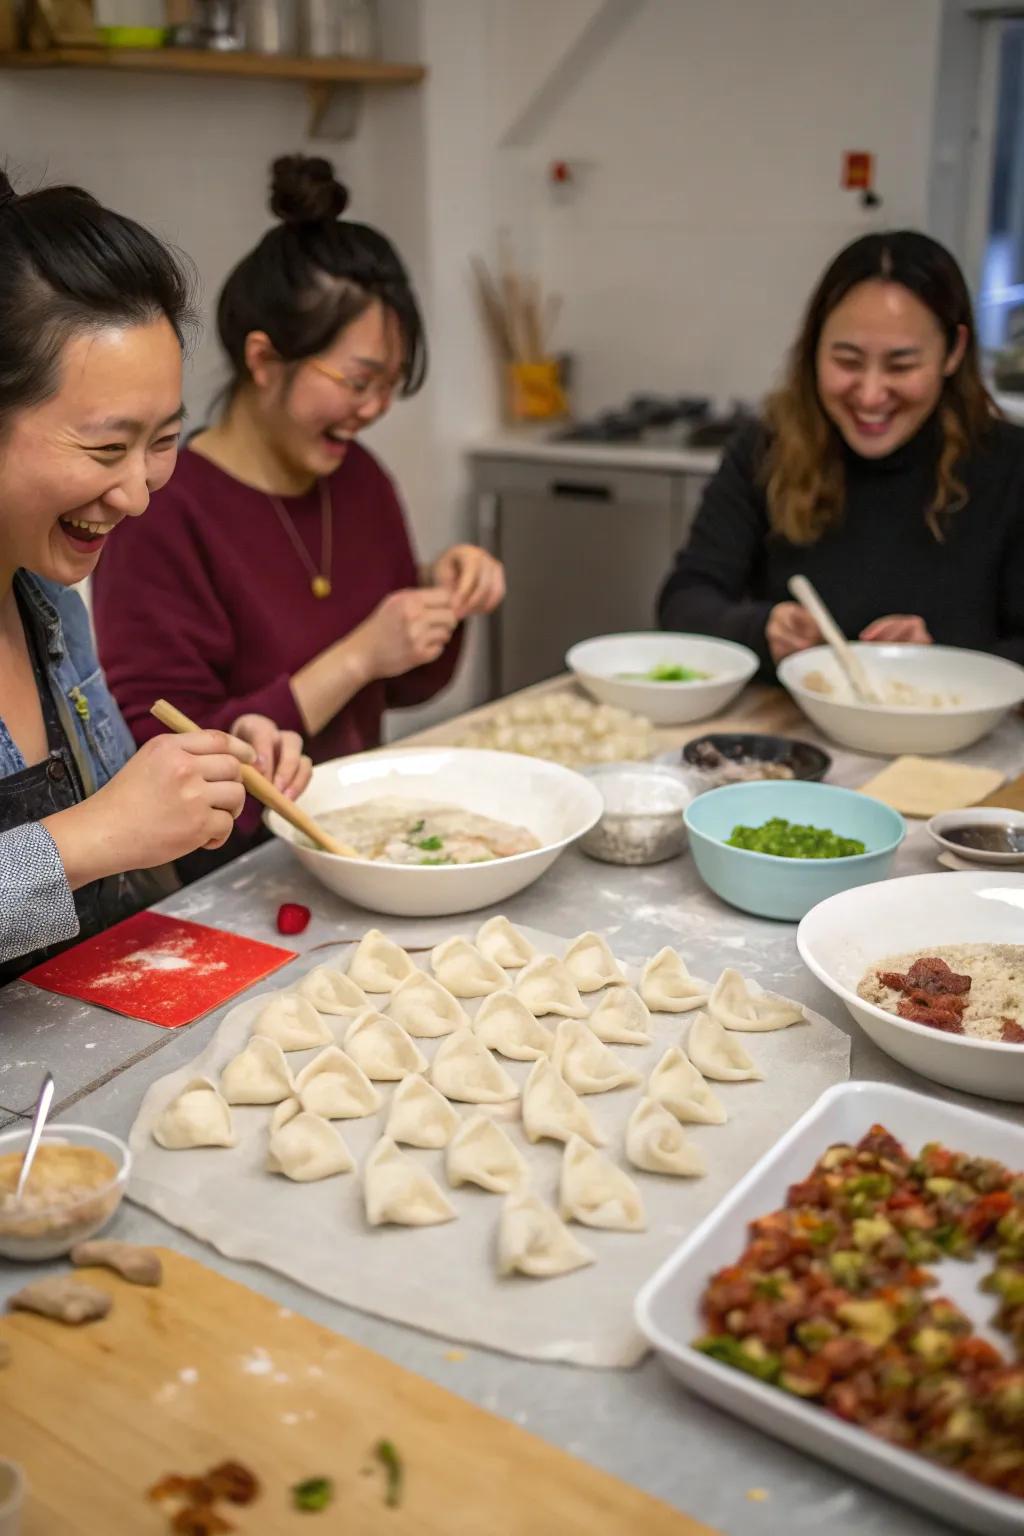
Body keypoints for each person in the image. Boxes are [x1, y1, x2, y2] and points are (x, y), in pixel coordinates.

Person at [93, 155, 505, 854]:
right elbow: (162, 752)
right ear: (262, 359)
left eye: (390, 385)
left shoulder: (360, 479)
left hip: (360, 838)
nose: (373, 409)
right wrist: (356, 657)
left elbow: (402, 687)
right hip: (232, 867)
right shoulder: (162, 508)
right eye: (357, 380)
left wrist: (440, 599)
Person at [0, 171, 311, 981]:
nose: (138, 494)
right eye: (106, 450)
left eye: (164, 440)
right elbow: (99, 837)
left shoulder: (48, 612)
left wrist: (208, 774)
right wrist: (92, 839)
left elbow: (123, 827)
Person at [658, 230, 1024, 670]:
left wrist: (946, 662)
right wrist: (761, 629)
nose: (870, 396)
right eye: (847, 362)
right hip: (789, 729)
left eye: (901, 365)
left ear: (953, 352)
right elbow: (685, 600)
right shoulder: (766, 451)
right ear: (814, 349)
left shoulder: (1009, 466)